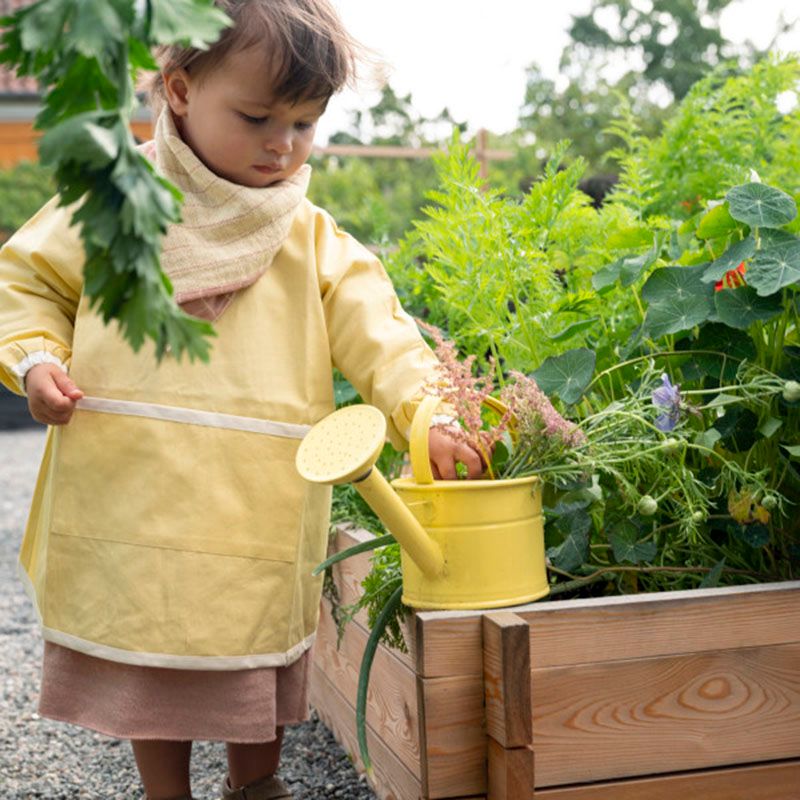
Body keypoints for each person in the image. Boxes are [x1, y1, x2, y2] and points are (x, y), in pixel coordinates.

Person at [0, 2, 483, 798]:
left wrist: (428, 415)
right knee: (147, 655)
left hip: (250, 503)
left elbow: (385, 339)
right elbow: (27, 280)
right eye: (258, 116)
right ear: (181, 90)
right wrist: (38, 361)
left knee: (254, 663)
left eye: (304, 123)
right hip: (134, 492)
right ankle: (168, 792)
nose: (282, 145)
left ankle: (256, 785)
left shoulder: (312, 237)